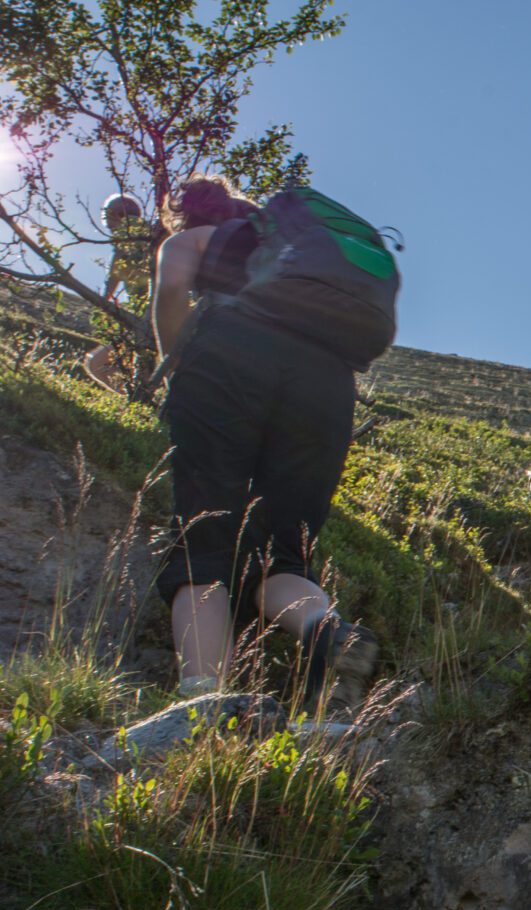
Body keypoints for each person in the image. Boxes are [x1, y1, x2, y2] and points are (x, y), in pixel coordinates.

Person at [150, 174, 378, 710]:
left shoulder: (193, 240)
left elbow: (169, 294)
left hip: (227, 364)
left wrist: (175, 361)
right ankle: (329, 632)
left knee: (202, 544)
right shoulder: (287, 248)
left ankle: (207, 705)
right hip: (327, 383)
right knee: (286, 554)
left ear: (186, 214)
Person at [82, 194, 157, 392]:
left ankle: (137, 403)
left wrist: (103, 300)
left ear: (118, 213)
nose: (106, 222)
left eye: (107, 215)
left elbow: (116, 270)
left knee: (96, 364)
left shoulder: (127, 230)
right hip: (164, 313)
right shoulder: (153, 232)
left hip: (146, 317)